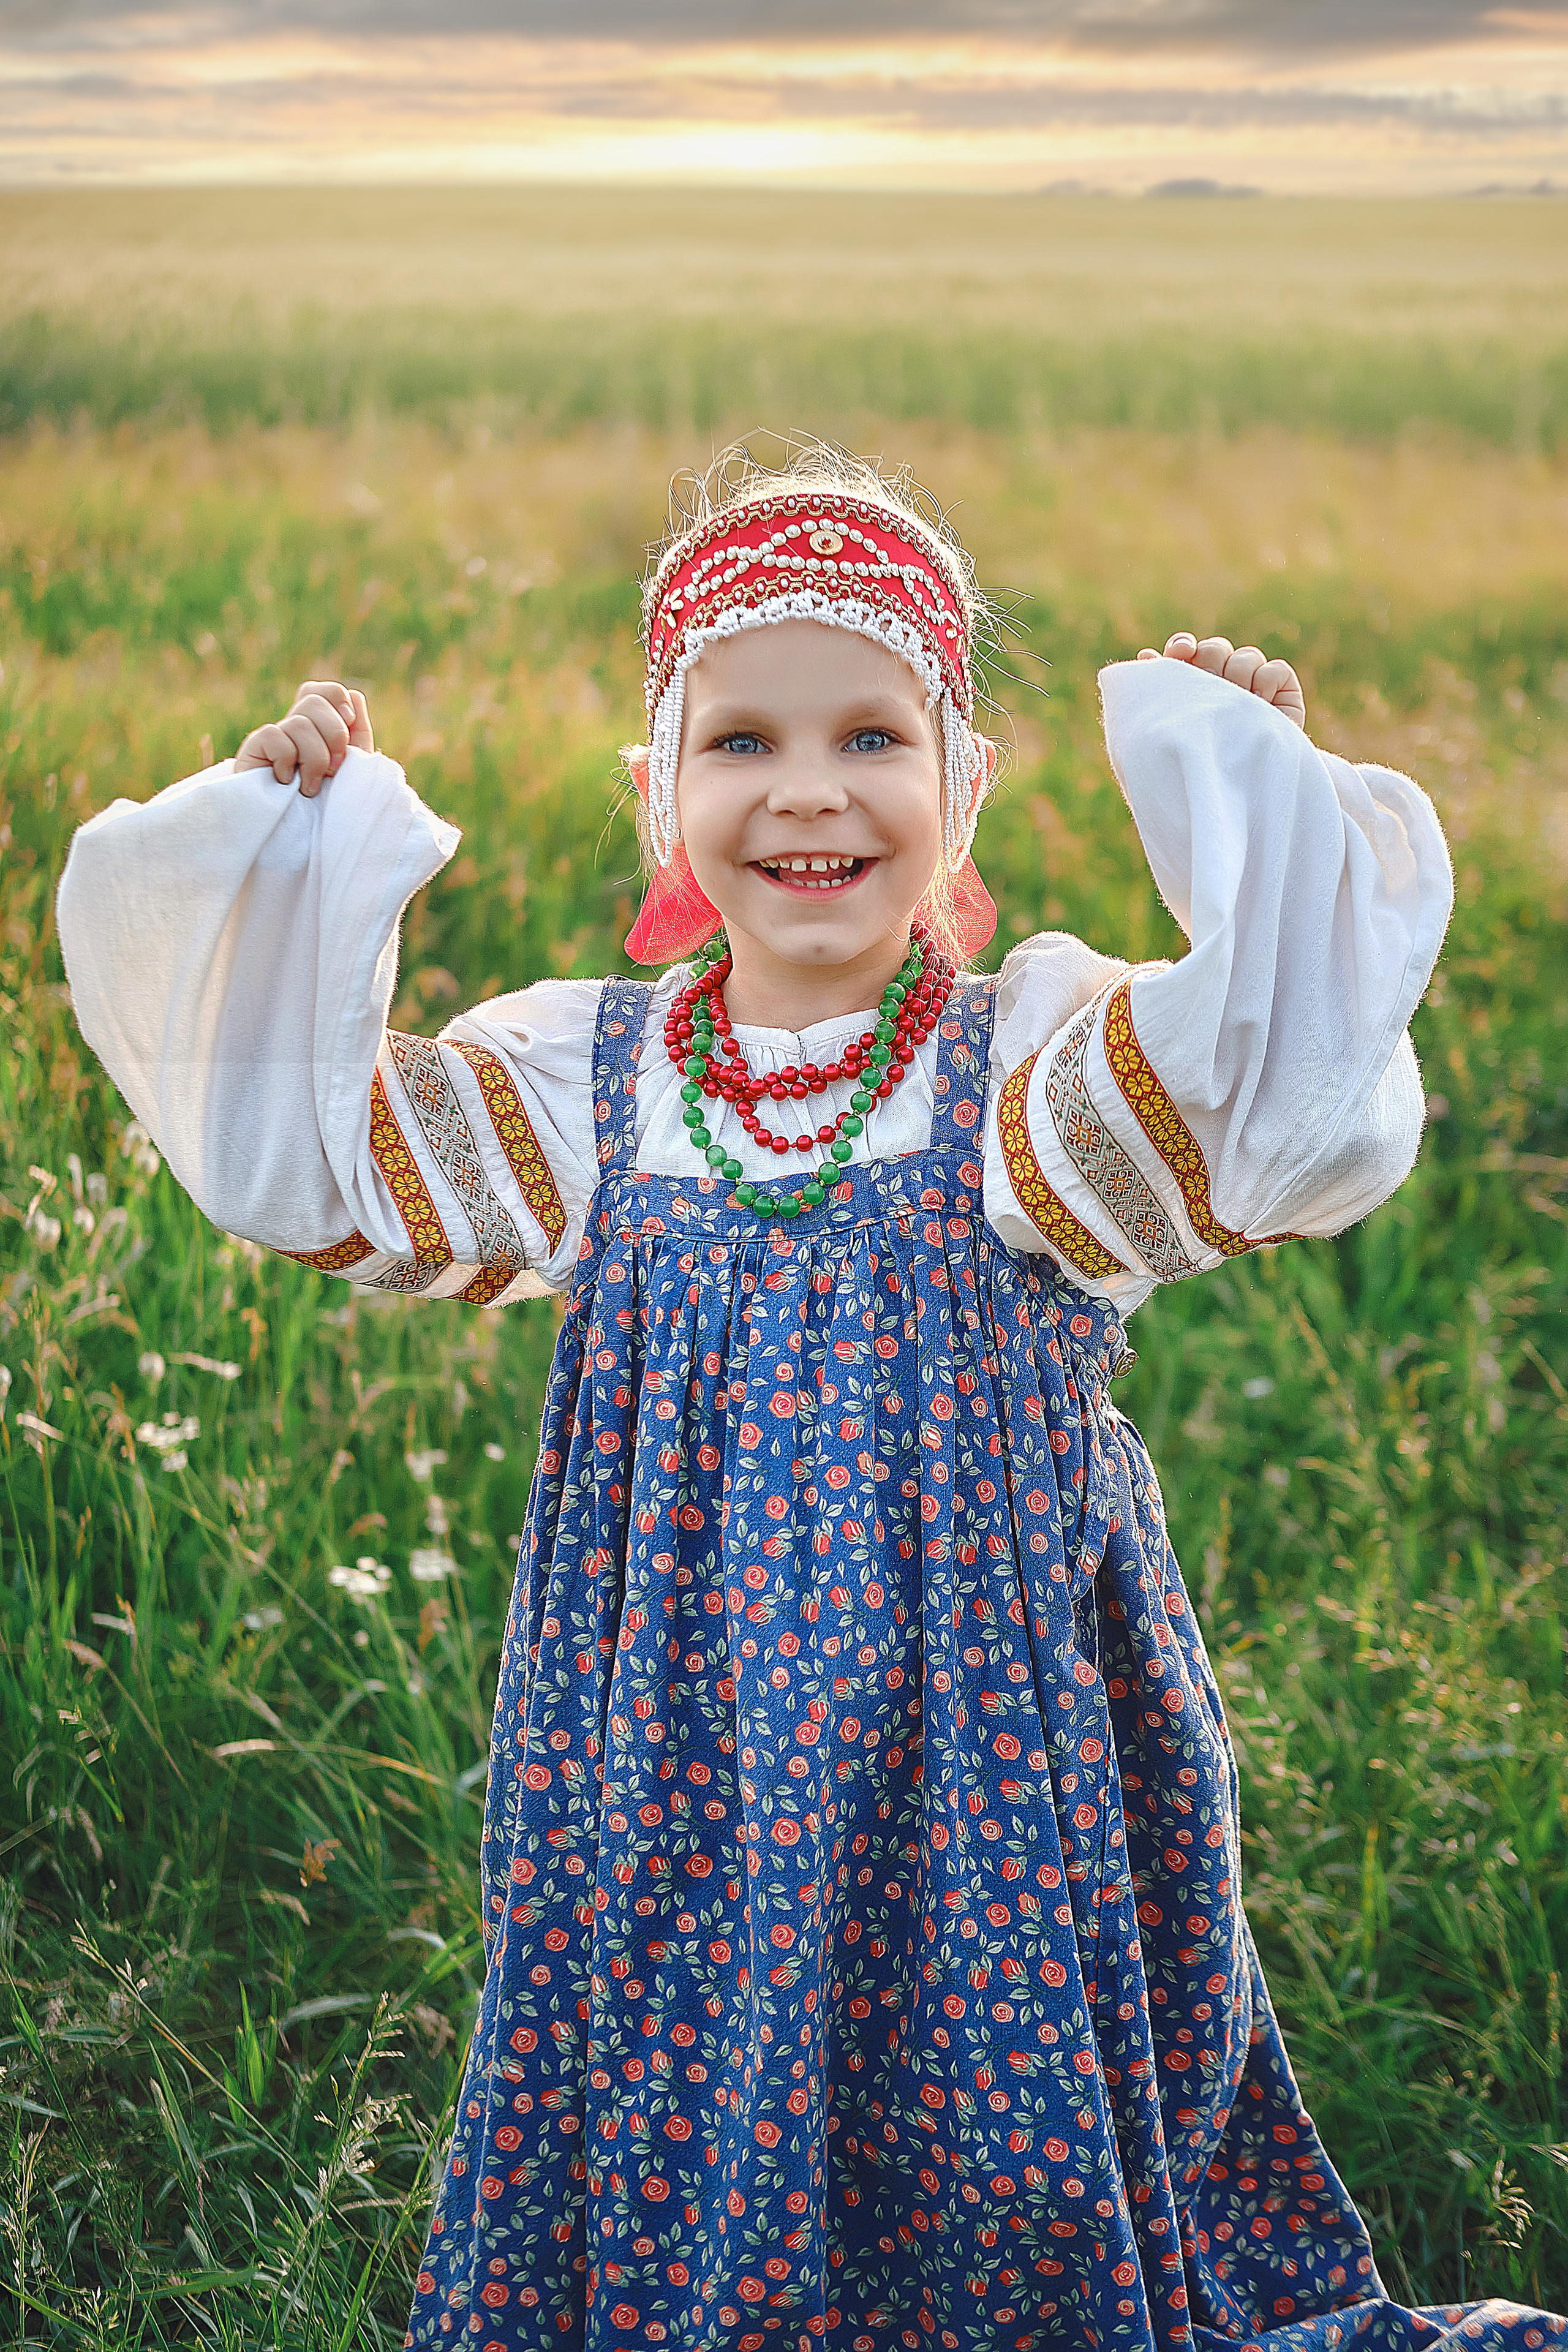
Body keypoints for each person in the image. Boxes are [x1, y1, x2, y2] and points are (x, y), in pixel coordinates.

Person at [58, 450, 1562, 2352]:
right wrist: (278, 848)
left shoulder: (1016, 1071)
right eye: (742, 742)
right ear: (662, 796)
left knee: (998, 2084)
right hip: (676, 1712)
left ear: (961, 784)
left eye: (871, 736)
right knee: (696, 2039)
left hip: (996, 1712)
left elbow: (1279, 1105)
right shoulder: (594, 1083)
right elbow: (320, 1166)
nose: (809, 792)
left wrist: (1257, 793)